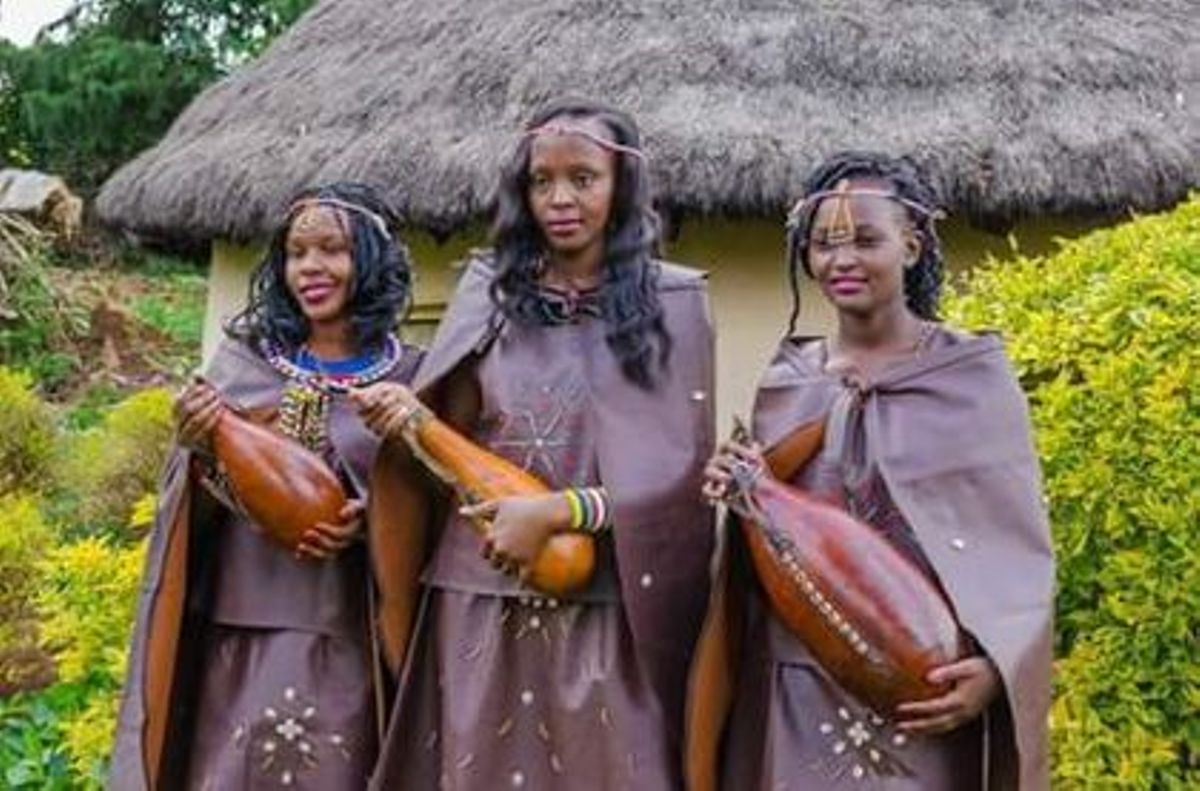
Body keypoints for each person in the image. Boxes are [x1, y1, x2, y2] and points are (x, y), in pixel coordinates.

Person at [360, 98, 716, 790]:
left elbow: (682, 481)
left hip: (609, 609)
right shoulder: (486, 292)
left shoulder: (676, 302)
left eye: (583, 178)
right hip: (475, 600)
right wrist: (407, 424)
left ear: (622, 188)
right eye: (541, 180)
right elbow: (442, 446)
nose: (560, 198)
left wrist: (559, 513)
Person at [691, 152, 1054, 790]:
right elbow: (768, 544)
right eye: (824, 243)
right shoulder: (787, 381)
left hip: (925, 689)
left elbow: (1018, 550)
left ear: (911, 247)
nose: (843, 260)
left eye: (866, 239)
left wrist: (997, 669)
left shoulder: (967, 378)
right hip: (798, 685)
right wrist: (740, 488)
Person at [109, 182, 424, 790]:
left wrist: (378, 518)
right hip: (240, 630)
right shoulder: (240, 366)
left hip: (353, 632)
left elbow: (436, 504)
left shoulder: (413, 377)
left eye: (332, 250)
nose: (311, 267)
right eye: (296, 253)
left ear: (373, 261)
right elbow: (187, 510)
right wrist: (200, 451)